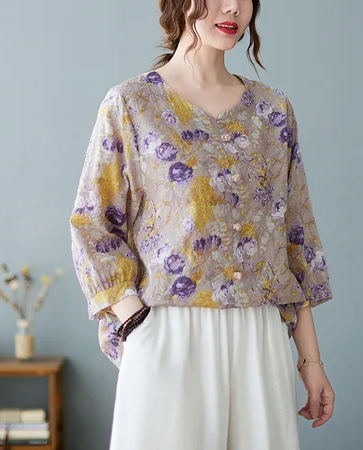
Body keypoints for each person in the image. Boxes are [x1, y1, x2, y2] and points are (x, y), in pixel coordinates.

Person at [69, 0, 336, 448]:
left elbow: (295, 237)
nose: (233, 8)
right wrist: (137, 323)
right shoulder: (132, 103)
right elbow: (93, 223)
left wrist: (311, 361)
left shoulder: (273, 111)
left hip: (260, 333)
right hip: (168, 329)